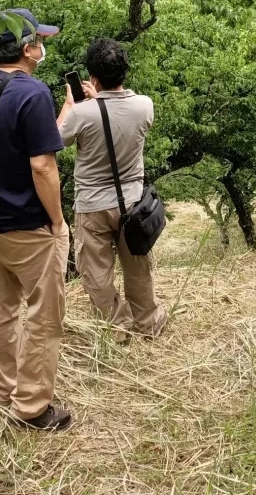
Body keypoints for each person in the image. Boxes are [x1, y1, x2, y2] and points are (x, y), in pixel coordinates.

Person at [0, 8, 72, 432]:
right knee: (45, 315)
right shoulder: (32, 91)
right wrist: (57, 222)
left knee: (4, 304)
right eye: (40, 40)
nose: (43, 47)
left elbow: (21, 139)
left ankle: (5, 388)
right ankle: (32, 407)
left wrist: (65, 112)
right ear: (29, 48)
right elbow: (42, 166)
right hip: (29, 223)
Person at [56, 38, 167, 338]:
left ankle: (117, 329)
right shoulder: (145, 105)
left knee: (96, 273)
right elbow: (118, 117)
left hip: (92, 205)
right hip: (133, 202)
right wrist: (99, 99)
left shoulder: (81, 113)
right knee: (138, 267)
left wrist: (71, 105)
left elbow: (55, 140)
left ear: (93, 78)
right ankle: (148, 322)